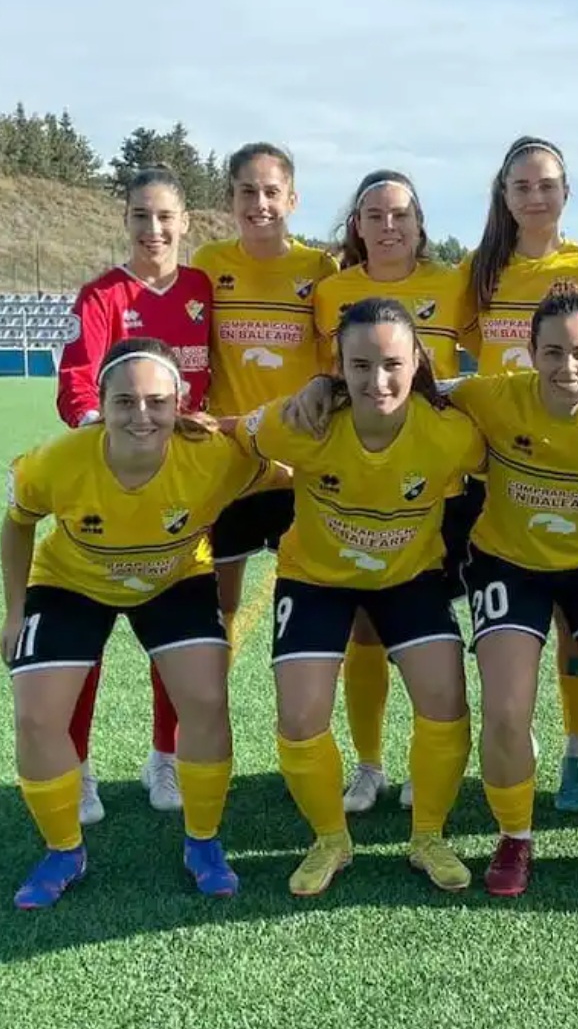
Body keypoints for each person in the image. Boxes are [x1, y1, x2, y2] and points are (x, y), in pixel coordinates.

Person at [2, 338, 278, 909]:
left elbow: (292, 470)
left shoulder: (215, 456)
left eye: (157, 401)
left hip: (174, 579)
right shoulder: (57, 461)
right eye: (125, 402)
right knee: (35, 717)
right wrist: (15, 611)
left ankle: (203, 842)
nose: (142, 415)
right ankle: (63, 850)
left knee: (206, 701)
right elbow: (18, 521)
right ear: (101, 404)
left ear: (180, 404)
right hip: (72, 582)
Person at [233, 298, 485, 895]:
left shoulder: (450, 434)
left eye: (393, 364)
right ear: (339, 366)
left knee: (446, 697)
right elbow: (240, 434)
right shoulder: (303, 423)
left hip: (409, 578)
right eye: (361, 365)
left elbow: (500, 463)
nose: (379, 381)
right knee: (299, 715)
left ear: (416, 361)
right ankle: (330, 839)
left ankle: (428, 836)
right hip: (315, 579)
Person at [461, 136, 578, 815]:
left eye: (547, 184)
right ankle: (518, 735)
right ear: (504, 195)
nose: (535, 197)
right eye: (522, 186)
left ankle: (576, 749)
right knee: (521, 613)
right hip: (503, 464)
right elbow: (451, 352)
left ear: (567, 191)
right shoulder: (480, 270)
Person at [312, 170, 473, 817]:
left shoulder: (455, 283)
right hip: (363, 480)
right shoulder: (331, 291)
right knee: (366, 630)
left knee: (432, 626)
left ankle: (428, 755)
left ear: (419, 223)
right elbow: (322, 377)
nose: (387, 226)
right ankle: (369, 763)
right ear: (357, 225)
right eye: (374, 215)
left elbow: (487, 358)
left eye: (400, 214)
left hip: (443, 483)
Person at [56, 165, 214, 824]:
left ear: (185, 222)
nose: (154, 229)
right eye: (141, 216)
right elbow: (76, 385)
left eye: (165, 216)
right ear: (125, 221)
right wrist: (117, 435)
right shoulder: (102, 295)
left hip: (183, 486)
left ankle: (165, 758)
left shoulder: (203, 289)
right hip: (111, 481)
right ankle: (79, 768)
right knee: (85, 634)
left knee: (173, 628)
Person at [192, 143, 337, 666]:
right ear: (230, 197)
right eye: (247, 191)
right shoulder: (209, 263)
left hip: (299, 462)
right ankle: (211, 711)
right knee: (219, 605)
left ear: (292, 199)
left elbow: (334, 361)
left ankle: (304, 707)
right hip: (230, 457)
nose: (260, 203)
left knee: (311, 601)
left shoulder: (319, 268)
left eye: (272, 192)